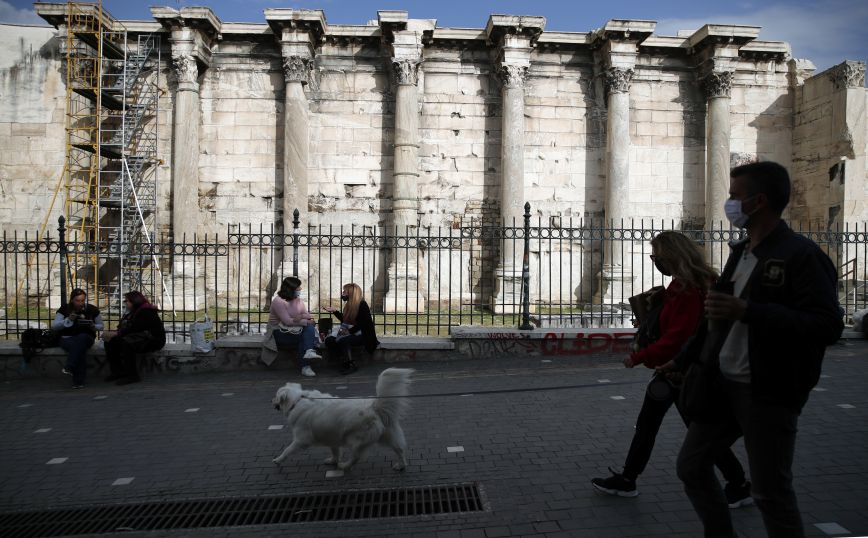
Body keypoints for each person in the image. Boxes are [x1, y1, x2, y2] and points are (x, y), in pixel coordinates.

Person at [671, 161, 843, 537]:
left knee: (770, 492)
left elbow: (827, 325)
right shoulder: (741, 250)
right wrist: (684, 358)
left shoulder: (801, 255)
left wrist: (749, 311)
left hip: (768, 391)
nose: (729, 204)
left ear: (758, 201)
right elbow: (719, 317)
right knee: (692, 466)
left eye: (735, 196)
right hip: (721, 384)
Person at [591, 232, 751, 507]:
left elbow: (679, 337)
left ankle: (738, 484)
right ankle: (629, 478)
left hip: (682, 371)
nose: (655, 261)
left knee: (696, 434)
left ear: (672, 255)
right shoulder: (683, 286)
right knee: (650, 425)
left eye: (657, 256)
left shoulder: (690, 290)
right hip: (674, 371)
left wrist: (639, 356)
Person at [261, 276, 322, 377]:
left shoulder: (298, 301)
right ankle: (306, 365)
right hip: (278, 332)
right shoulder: (278, 301)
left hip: (294, 330)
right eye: (298, 287)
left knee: (307, 331)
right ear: (291, 289)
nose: (300, 289)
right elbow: (287, 321)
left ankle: (308, 353)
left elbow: (307, 315)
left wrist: (301, 317)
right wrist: (304, 321)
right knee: (306, 332)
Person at [102, 291, 166, 385]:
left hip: (153, 340)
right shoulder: (134, 311)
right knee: (110, 342)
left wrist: (116, 334)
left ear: (134, 301)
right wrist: (113, 334)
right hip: (141, 337)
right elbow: (127, 327)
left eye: (127, 301)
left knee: (127, 343)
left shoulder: (146, 311)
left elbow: (134, 328)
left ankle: (132, 375)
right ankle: (118, 371)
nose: (125, 303)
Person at [52, 288, 104, 389]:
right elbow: (55, 326)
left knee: (81, 338)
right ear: (72, 300)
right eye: (77, 300)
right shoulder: (64, 309)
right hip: (67, 338)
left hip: (86, 337)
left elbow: (101, 326)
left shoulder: (92, 309)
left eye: (82, 300)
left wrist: (93, 326)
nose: (80, 303)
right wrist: (68, 320)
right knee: (79, 348)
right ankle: (78, 382)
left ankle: (70, 366)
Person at [324, 283, 379, 375]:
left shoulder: (362, 305)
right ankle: (343, 360)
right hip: (351, 331)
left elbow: (363, 324)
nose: (342, 293)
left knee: (344, 340)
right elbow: (345, 320)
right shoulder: (349, 305)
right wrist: (334, 311)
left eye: (344, 292)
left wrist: (348, 331)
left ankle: (351, 364)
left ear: (351, 293)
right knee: (329, 340)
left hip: (363, 334)